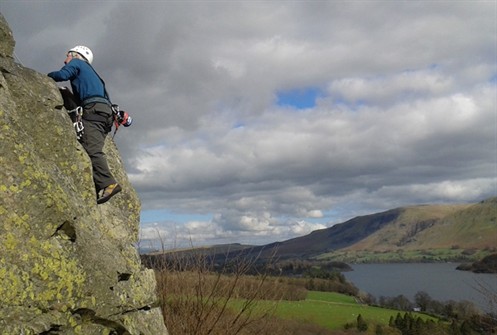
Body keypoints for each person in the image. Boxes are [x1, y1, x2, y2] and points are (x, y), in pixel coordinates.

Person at [48, 45, 121, 204]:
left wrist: (45, 77)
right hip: (105, 114)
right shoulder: (95, 76)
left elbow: (62, 75)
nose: (65, 59)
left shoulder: (77, 63)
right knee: (92, 148)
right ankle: (97, 185)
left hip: (94, 111)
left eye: (67, 55)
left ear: (76, 55)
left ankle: (108, 183)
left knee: (91, 149)